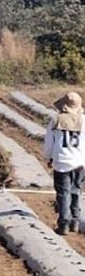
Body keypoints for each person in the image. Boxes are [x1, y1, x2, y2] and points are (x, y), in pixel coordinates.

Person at [43, 92, 85, 235]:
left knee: (63, 193)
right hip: (79, 162)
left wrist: (48, 158)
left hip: (61, 161)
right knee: (76, 191)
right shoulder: (83, 120)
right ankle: (75, 221)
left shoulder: (56, 120)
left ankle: (64, 223)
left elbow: (49, 142)